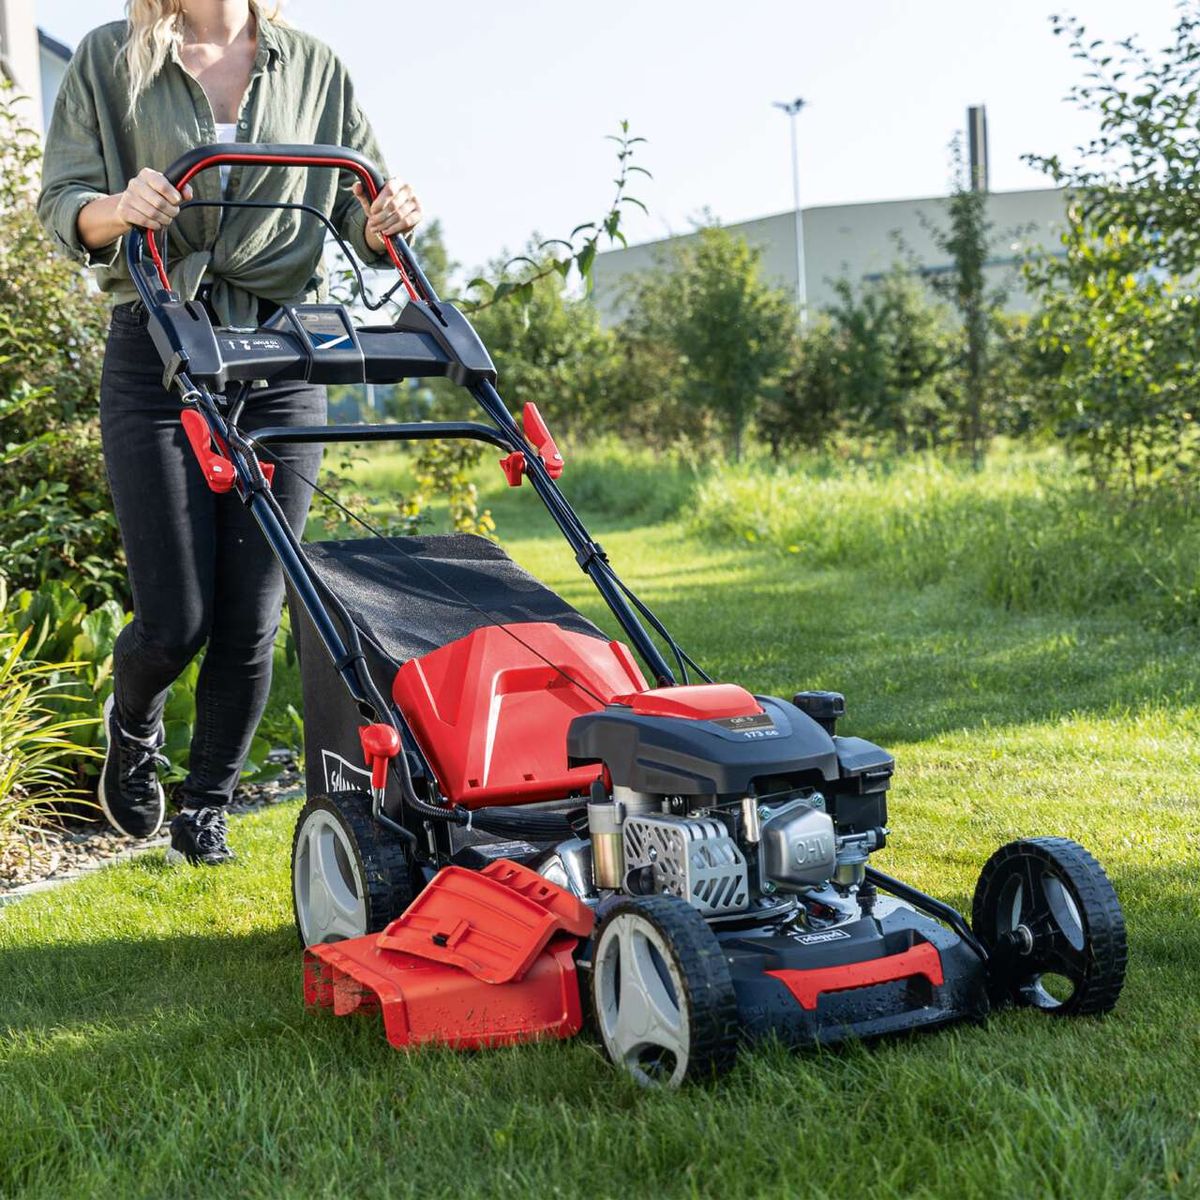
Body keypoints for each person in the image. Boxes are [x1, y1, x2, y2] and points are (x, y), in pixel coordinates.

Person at [37, 0, 422, 865]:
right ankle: (132, 721)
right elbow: (62, 202)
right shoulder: (110, 56)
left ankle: (202, 809)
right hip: (159, 343)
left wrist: (389, 211)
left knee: (253, 611)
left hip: (282, 349)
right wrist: (119, 205)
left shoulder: (315, 65)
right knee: (176, 619)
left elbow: (363, 212)